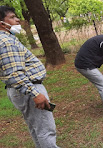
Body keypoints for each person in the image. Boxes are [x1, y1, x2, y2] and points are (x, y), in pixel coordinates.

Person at [0, 6, 59, 147]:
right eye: (12, 17)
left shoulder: (8, 39)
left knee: (36, 128)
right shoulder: (5, 42)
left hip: (23, 89)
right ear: (2, 23)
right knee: (45, 130)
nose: (17, 20)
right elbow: (14, 73)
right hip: (28, 89)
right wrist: (35, 93)